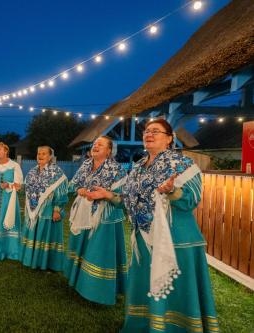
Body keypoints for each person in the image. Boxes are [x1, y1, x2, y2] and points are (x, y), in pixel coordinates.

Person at [91, 119, 219, 332]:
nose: (149, 134)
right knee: (145, 287)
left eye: (156, 131)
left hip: (175, 241)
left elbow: (192, 199)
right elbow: (130, 201)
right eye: (147, 131)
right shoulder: (138, 167)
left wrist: (172, 191)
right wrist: (108, 195)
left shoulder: (183, 165)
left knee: (173, 292)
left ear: (169, 139)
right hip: (143, 240)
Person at [63, 136, 127, 305]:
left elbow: (123, 198)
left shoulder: (117, 169)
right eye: (94, 144)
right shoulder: (85, 165)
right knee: (82, 249)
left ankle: (97, 292)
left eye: (100, 144)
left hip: (105, 218)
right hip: (83, 214)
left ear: (109, 150)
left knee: (98, 253)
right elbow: (72, 185)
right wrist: (80, 189)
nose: (95, 146)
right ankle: (79, 283)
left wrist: (105, 195)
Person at [21, 146, 68, 271]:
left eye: (43, 153)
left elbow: (62, 192)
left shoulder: (56, 172)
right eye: (38, 153)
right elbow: (26, 189)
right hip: (33, 212)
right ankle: (31, 259)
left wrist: (57, 209)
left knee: (46, 236)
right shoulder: (32, 172)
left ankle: (46, 263)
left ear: (50, 156)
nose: (40, 156)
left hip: (47, 211)